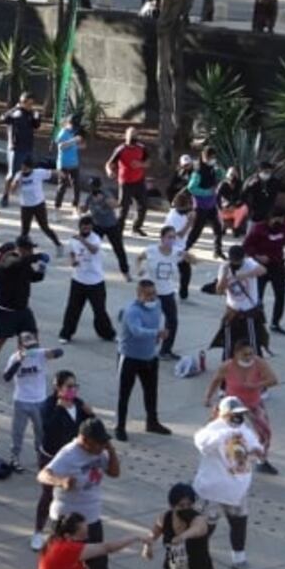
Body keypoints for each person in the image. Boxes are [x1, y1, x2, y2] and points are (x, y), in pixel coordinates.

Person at [37, 417, 121, 569]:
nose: (101, 446)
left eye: (103, 442)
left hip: (91, 520)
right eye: (98, 442)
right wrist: (61, 481)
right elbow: (42, 475)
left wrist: (111, 450)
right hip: (68, 524)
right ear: (84, 440)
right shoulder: (68, 454)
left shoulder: (100, 452)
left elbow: (114, 472)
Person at [193, 396, 265, 569]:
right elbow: (203, 445)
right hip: (213, 491)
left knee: (239, 524)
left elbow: (256, 446)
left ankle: (239, 559)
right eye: (234, 414)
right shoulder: (211, 430)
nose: (238, 418)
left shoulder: (244, 430)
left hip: (237, 490)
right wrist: (224, 434)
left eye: (240, 414)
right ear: (224, 414)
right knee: (206, 527)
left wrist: (257, 450)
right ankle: (195, 558)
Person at [32, 371, 95, 550]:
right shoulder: (48, 406)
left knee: (70, 496)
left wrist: (91, 415)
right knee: (48, 494)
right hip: (51, 457)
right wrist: (60, 409)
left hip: (72, 459)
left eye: (75, 386)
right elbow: (48, 431)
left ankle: (67, 533)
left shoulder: (79, 405)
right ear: (58, 388)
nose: (73, 390)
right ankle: (38, 531)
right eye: (69, 386)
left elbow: (89, 430)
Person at [204, 339, 279, 473]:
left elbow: (273, 379)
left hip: (253, 404)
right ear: (236, 354)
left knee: (265, 433)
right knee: (218, 431)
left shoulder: (259, 363)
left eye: (251, 353)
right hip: (232, 406)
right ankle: (220, 458)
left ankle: (262, 461)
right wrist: (208, 397)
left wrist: (256, 385)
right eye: (245, 354)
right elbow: (216, 380)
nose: (249, 357)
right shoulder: (227, 366)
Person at [0, 235, 48, 377]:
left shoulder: (25, 262)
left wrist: (42, 267)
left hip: (22, 307)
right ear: (21, 249)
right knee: (2, 338)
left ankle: (24, 363)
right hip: (5, 308)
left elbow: (35, 277)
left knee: (30, 336)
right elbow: (17, 263)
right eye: (29, 249)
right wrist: (37, 257)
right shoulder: (9, 258)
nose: (31, 251)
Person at [116, 280, 171, 439]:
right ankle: (120, 426)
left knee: (151, 391)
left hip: (150, 356)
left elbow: (160, 319)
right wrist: (157, 333)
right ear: (139, 295)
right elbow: (136, 331)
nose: (152, 297)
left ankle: (152, 422)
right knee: (124, 394)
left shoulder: (157, 304)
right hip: (130, 358)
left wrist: (158, 337)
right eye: (148, 295)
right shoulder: (132, 311)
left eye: (154, 293)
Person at [3, 331, 64, 472]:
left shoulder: (40, 354)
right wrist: (19, 360)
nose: (32, 350)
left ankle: (41, 457)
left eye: (34, 346)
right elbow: (6, 377)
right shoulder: (14, 358)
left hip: (39, 401)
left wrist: (51, 352)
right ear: (20, 347)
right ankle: (14, 458)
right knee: (18, 432)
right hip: (21, 401)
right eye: (28, 347)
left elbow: (60, 352)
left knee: (41, 432)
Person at [36, 512, 141, 569]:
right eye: (82, 535)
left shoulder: (56, 541)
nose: (87, 537)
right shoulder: (65, 549)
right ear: (68, 536)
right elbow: (107, 548)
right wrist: (135, 537)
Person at [141, 483, 215, 569]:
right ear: (172, 506)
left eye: (189, 505)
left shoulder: (198, 519)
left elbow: (198, 529)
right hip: (175, 566)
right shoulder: (166, 518)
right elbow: (153, 533)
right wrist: (147, 546)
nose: (186, 508)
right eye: (181, 505)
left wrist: (183, 536)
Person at [136, 226, 194, 359]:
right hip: (151, 293)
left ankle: (166, 350)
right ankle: (142, 347)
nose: (171, 240)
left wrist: (189, 257)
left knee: (172, 321)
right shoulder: (151, 250)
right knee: (147, 320)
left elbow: (192, 260)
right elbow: (139, 258)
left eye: (173, 237)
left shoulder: (176, 252)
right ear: (162, 238)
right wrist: (139, 269)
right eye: (169, 237)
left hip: (167, 292)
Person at [241, 206, 285, 336]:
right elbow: (246, 246)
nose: (278, 222)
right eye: (276, 219)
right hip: (261, 267)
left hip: (277, 266)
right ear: (270, 218)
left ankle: (275, 322)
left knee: (280, 295)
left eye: (281, 219)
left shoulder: (284, 229)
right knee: (258, 296)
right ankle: (256, 320)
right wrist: (257, 256)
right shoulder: (259, 228)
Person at [59, 216, 116, 344]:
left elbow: (94, 250)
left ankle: (107, 333)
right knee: (73, 309)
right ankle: (66, 334)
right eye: (84, 226)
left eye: (89, 226)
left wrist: (82, 240)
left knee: (100, 310)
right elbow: (72, 252)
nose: (86, 228)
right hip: (78, 280)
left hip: (95, 281)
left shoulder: (95, 238)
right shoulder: (73, 240)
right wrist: (73, 261)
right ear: (80, 227)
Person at [210, 245, 269, 359]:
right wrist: (224, 276)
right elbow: (219, 290)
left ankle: (255, 367)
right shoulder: (225, 267)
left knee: (253, 343)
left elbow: (263, 270)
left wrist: (245, 275)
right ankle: (227, 367)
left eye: (238, 261)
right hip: (232, 311)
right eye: (233, 261)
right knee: (228, 343)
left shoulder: (249, 263)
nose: (236, 264)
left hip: (249, 311)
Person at [9, 158, 64, 254]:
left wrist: (61, 173)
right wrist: (16, 183)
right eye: (23, 168)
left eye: (26, 169)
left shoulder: (38, 173)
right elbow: (12, 191)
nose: (24, 170)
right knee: (24, 231)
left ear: (31, 168)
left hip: (39, 205)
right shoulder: (18, 175)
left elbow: (52, 172)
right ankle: (23, 250)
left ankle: (58, 244)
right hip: (25, 206)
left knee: (45, 227)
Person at [80, 177, 131, 280]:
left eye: (94, 187)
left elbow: (116, 205)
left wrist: (104, 200)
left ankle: (125, 272)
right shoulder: (89, 197)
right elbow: (84, 209)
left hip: (111, 225)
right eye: (91, 187)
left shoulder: (106, 194)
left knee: (119, 249)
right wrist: (81, 208)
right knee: (90, 247)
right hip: (97, 226)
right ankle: (87, 268)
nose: (92, 189)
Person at [105, 127, 150, 235]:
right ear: (126, 136)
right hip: (125, 181)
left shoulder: (142, 148)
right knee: (123, 208)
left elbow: (148, 162)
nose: (133, 138)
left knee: (143, 205)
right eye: (130, 135)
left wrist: (141, 164)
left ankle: (136, 227)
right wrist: (109, 171)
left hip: (139, 180)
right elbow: (108, 164)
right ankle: (118, 230)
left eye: (135, 135)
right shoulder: (120, 149)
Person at [0, 93, 41, 207]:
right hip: (15, 148)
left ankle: (27, 195)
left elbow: (36, 125)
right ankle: (5, 196)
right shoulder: (15, 114)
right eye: (27, 103)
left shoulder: (31, 114)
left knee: (28, 172)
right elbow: (1, 120)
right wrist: (13, 109)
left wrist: (37, 116)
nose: (30, 106)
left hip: (28, 147)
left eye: (32, 103)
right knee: (12, 173)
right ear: (22, 102)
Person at [186, 146, 225, 259]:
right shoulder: (198, 171)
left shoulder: (212, 168)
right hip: (201, 204)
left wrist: (220, 170)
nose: (212, 159)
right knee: (197, 230)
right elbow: (191, 188)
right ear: (203, 157)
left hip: (211, 204)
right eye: (210, 157)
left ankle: (218, 250)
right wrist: (207, 192)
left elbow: (221, 177)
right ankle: (185, 248)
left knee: (218, 228)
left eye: (213, 157)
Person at [54, 116, 85, 216]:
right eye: (73, 125)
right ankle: (57, 209)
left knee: (77, 186)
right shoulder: (63, 132)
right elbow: (61, 146)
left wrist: (81, 143)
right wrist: (73, 140)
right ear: (68, 123)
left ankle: (75, 207)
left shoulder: (75, 132)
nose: (74, 128)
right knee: (62, 187)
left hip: (74, 164)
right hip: (63, 164)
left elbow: (80, 146)